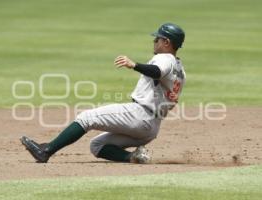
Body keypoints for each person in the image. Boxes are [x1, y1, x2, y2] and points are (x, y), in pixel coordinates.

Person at [20, 22, 186, 164]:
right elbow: (172, 99)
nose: (154, 41)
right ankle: (134, 157)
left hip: (141, 115)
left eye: (157, 38)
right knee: (97, 146)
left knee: (87, 118)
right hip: (151, 129)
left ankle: (46, 151)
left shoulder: (165, 59)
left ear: (167, 42)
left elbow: (157, 71)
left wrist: (133, 65)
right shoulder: (180, 71)